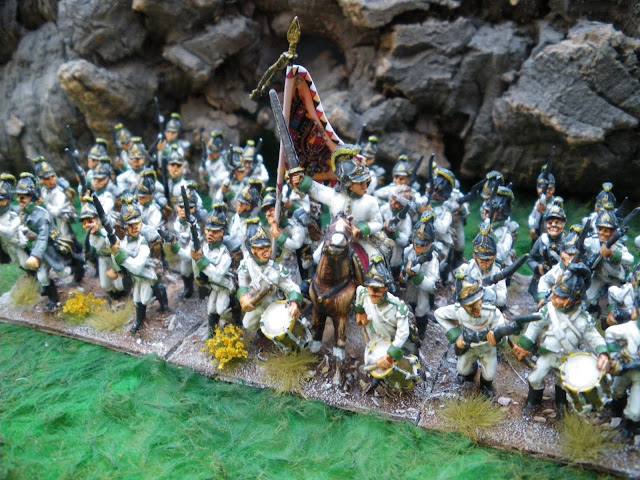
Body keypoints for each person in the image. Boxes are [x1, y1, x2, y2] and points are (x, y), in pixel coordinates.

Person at [513, 264, 609, 413]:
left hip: (568, 357)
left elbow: (594, 338)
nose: (554, 299)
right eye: (555, 294)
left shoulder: (583, 319)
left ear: (575, 301)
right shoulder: (549, 310)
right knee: (535, 378)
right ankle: (533, 401)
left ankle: (561, 404)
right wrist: (524, 345)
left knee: (564, 383)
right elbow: (535, 326)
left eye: (560, 297)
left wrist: (603, 353)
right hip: (548, 354)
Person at [290, 145, 384, 266]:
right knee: (316, 258)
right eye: (360, 183)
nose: (365, 186)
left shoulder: (371, 201)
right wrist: (301, 181)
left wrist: (361, 229)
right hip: (333, 238)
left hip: (361, 241)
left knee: (376, 262)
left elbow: (378, 223)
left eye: (365, 182)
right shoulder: (333, 197)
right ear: (349, 184)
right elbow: (315, 188)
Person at [434, 264, 508, 397]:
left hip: (487, 347)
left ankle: (486, 386)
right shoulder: (458, 311)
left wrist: (498, 339)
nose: (475, 310)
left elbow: (501, 328)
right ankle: (469, 377)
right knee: (462, 370)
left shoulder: (492, 312)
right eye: (470, 306)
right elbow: (439, 314)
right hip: (469, 346)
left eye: (477, 304)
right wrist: (456, 336)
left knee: (490, 374)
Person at [237, 219, 303, 333]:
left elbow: (293, 288)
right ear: (252, 250)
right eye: (260, 248)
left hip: (274, 305)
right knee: (247, 324)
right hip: (258, 304)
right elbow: (242, 284)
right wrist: (244, 298)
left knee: (280, 329)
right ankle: (261, 332)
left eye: (267, 247)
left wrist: (294, 303)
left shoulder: (276, 270)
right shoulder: (246, 266)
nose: (267, 252)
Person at [355, 257, 412, 378]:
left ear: (386, 288)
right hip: (375, 336)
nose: (373, 293)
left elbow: (403, 333)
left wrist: (389, 356)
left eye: (378, 290)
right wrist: (360, 312)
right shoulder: (364, 294)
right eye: (371, 288)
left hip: (393, 340)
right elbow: (359, 291)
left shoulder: (398, 307)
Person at [108, 202, 159, 333]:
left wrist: (120, 255)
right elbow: (119, 261)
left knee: (146, 299)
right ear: (125, 227)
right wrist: (115, 258)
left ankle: (159, 293)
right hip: (135, 278)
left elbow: (137, 267)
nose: (135, 228)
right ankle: (139, 321)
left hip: (146, 275)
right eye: (131, 225)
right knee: (137, 300)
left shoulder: (143, 244)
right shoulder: (124, 243)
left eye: (138, 223)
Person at [584, 205, 635, 327]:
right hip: (599, 275)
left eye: (606, 230)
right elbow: (582, 245)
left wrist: (612, 255)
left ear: (614, 232)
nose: (602, 233)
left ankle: (611, 319)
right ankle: (593, 312)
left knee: (617, 299)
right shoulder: (593, 241)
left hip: (615, 277)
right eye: (600, 229)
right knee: (589, 297)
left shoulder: (617, 245)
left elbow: (630, 259)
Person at [191, 205, 235, 337]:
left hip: (224, 286)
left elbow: (217, 276)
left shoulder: (225, 255)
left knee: (221, 309)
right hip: (213, 287)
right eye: (208, 230)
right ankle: (211, 333)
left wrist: (201, 261)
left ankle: (231, 321)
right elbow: (197, 268)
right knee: (211, 309)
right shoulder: (204, 248)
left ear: (223, 233)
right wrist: (197, 271)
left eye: (215, 231)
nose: (210, 234)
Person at [605, 292, 640, 437]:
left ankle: (631, 430)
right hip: (625, 368)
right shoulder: (629, 328)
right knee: (616, 391)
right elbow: (610, 333)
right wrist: (615, 357)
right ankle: (616, 418)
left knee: (635, 411)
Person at [402, 216, 439, 339]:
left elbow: (432, 285)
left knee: (422, 309)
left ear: (430, 245)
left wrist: (417, 276)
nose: (418, 247)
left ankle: (421, 331)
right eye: (416, 244)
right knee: (412, 300)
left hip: (424, 289)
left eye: (422, 245)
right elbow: (404, 263)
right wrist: (404, 272)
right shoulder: (409, 251)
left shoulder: (432, 260)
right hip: (411, 285)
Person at [80, 200, 125, 300]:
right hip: (103, 258)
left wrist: (115, 268)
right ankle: (115, 297)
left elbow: (120, 250)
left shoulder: (106, 235)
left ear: (98, 220)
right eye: (84, 223)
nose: (87, 225)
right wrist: (89, 256)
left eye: (90, 221)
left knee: (120, 285)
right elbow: (92, 251)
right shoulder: (90, 237)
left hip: (114, 258)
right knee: (105, 285)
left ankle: (124, 293)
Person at [527, 197, 566, 300]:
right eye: (550, 222)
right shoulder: (542, 239)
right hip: (543, 275)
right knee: (541, 299)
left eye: (557, 222)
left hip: (561, 278)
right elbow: (530, 259)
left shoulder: (567, 241)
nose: (553, 225)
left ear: (563, 224)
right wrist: (537, 268)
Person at [466, 222, 507, 308]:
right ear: (475, 256)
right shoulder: (468, 268)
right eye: (482, 260)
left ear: (494, 258)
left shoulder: (497, 271)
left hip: (491, 307)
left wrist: (488, 292)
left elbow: (502, 299)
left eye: (489, 260)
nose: (485, 263)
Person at [34, 157, 77, 238]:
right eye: (47, 179)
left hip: (63, 226)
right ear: (41, 181)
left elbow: (57, 212)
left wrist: (44, 204)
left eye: (53, 176)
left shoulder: (60, 192)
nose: (51, 181)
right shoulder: (43, 190)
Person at [0, 174, 28, 266]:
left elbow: (9, 232)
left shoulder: (13, 215)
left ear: (8, 200)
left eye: (1, 200)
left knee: (25, 263)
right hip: (6, 246)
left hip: (18, 244)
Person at [528, 165, 556, 241]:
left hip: (549, 236)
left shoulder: (555, 203)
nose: (546, 191)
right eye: (542, 188)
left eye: (550, 189)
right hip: (537, 235)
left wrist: (544, 213)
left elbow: (556, 220)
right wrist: (532, 227)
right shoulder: (538, 202)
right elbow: (532, 216)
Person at [201, 130, 229, 199]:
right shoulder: (208, 162)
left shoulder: (222, 164)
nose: (210, 155)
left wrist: (207, 177)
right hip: (210, 192)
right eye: (209, 153)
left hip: (220, 193)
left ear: (219, 153)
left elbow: (216, 183)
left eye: (212, 154)